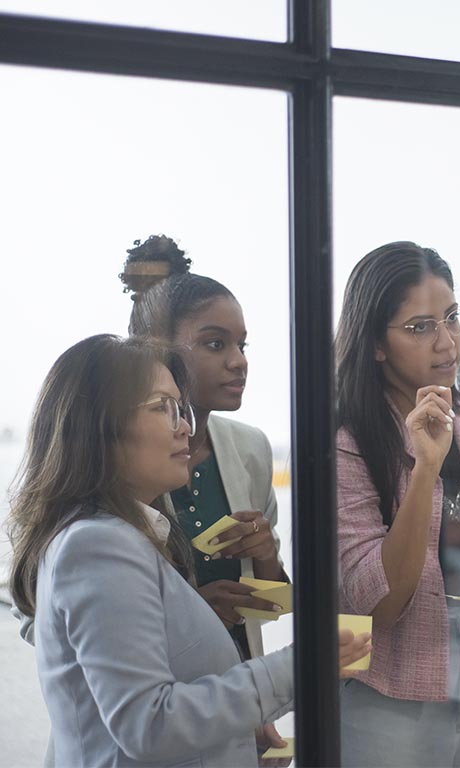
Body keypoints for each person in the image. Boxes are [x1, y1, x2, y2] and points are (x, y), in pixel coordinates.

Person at [7, 334, 371, 767]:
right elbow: (148, 727)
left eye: (181, 409)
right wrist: (303, 666)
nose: (184, 426)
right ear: (101, 426)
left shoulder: (121, 537)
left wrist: (240, 728)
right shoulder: (97, 545)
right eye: (163, 407)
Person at [335, 241, 460, 767]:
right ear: (376, 343)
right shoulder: (345, 442)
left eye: (451, 318)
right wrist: (424, 468)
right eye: (420, 327)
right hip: (389, 698)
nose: (446, 344)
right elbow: (379, 605)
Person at [120, 235, 287, 749]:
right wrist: (188, 616)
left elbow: (269, 604)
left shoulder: (251, 450)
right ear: (156, 352)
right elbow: (47, 621)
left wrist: (265, 557)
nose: (239, 361)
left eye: (243, 344)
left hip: (233, 710)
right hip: (141, 728)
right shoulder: (112, 461)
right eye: (216, 344)